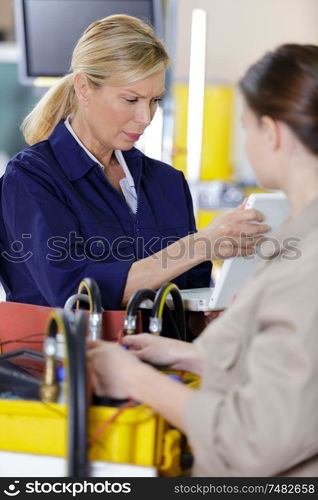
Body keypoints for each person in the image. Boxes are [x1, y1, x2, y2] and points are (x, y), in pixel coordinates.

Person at [87, 44, 318, 476]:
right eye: (132, 99)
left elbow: (254, 441)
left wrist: (136, 380)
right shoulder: (297, 243)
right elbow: (299, 375)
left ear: (272, 133)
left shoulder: (304, 264)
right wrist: (186, 356)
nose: (146, 117)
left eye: (244, 127)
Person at [0, 14, 267, 310]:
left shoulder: (167, 182)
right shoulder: (31, 179)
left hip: (163, 355)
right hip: (61, 354)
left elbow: (194, 296)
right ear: (84, 87)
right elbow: (76, 294)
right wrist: (200, 245)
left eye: (154, 101)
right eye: (131, 100)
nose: (146, 118)